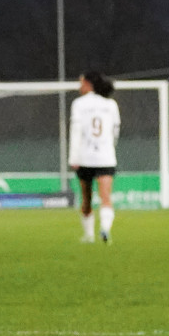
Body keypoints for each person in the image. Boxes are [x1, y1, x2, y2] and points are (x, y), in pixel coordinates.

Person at [69, 70, 121, 242]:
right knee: (106, 196)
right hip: (105, 156)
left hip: (84, 157)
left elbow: (76, 131)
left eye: (81, 82)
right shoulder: (110, 104)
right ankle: (105, 229)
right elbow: (115, 132)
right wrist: (108, 147)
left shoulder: (78, 104)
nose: (79, 86)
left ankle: (89, 235)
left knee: (86, 198)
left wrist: (73, 157)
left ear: (88, 84)